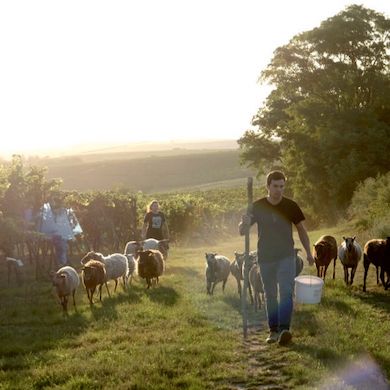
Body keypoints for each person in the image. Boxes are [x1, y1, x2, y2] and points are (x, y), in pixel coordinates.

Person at [239, 170, 314, 345]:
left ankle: (284, 330)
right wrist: (244, 222)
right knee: (270, 294)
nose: (279, 190)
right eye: (275, 186)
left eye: (282, 186)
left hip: (286, 255)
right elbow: (242, 232)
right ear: (268, 186)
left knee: (286, 292)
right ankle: (273, 331)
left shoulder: (291, 206)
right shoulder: (257, 206)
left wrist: (309, 252)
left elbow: (301, 230)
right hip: (265, 256)